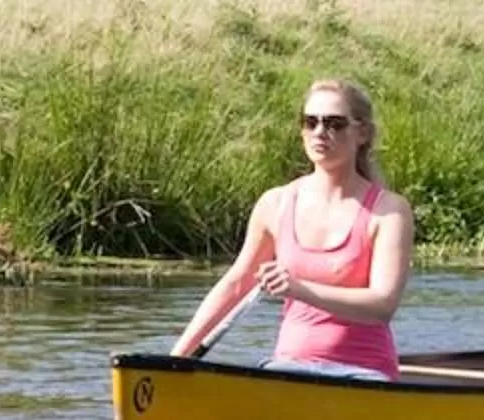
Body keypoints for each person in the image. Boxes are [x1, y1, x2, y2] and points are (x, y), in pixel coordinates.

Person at [173, 78, 415, 380]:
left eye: (335, 124)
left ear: (362, 133)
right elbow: (235, 285)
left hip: (363, 373)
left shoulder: (389, 210)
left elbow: (382, 305)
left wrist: (298, 289)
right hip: (289, 369)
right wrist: (175, 359)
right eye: (310, 122)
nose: (319, 133)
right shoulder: (275, 203)